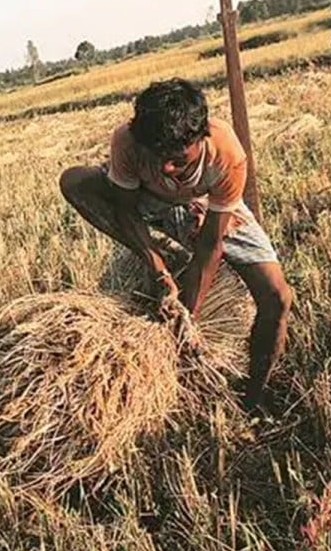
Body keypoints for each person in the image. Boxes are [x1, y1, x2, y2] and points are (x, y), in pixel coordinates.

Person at [58, 78, 293, 410]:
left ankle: (254, 396)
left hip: (210, 206)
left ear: (201, 137)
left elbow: (212, 245)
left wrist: (186, 318)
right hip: (149, 201)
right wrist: (159, 273)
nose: (167, 168)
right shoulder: (127, 141)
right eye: (157, 157)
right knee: (75, 181)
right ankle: (165, 253)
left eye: (178, 159)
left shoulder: (226, 153)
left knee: (277, 298)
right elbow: (125, 210)